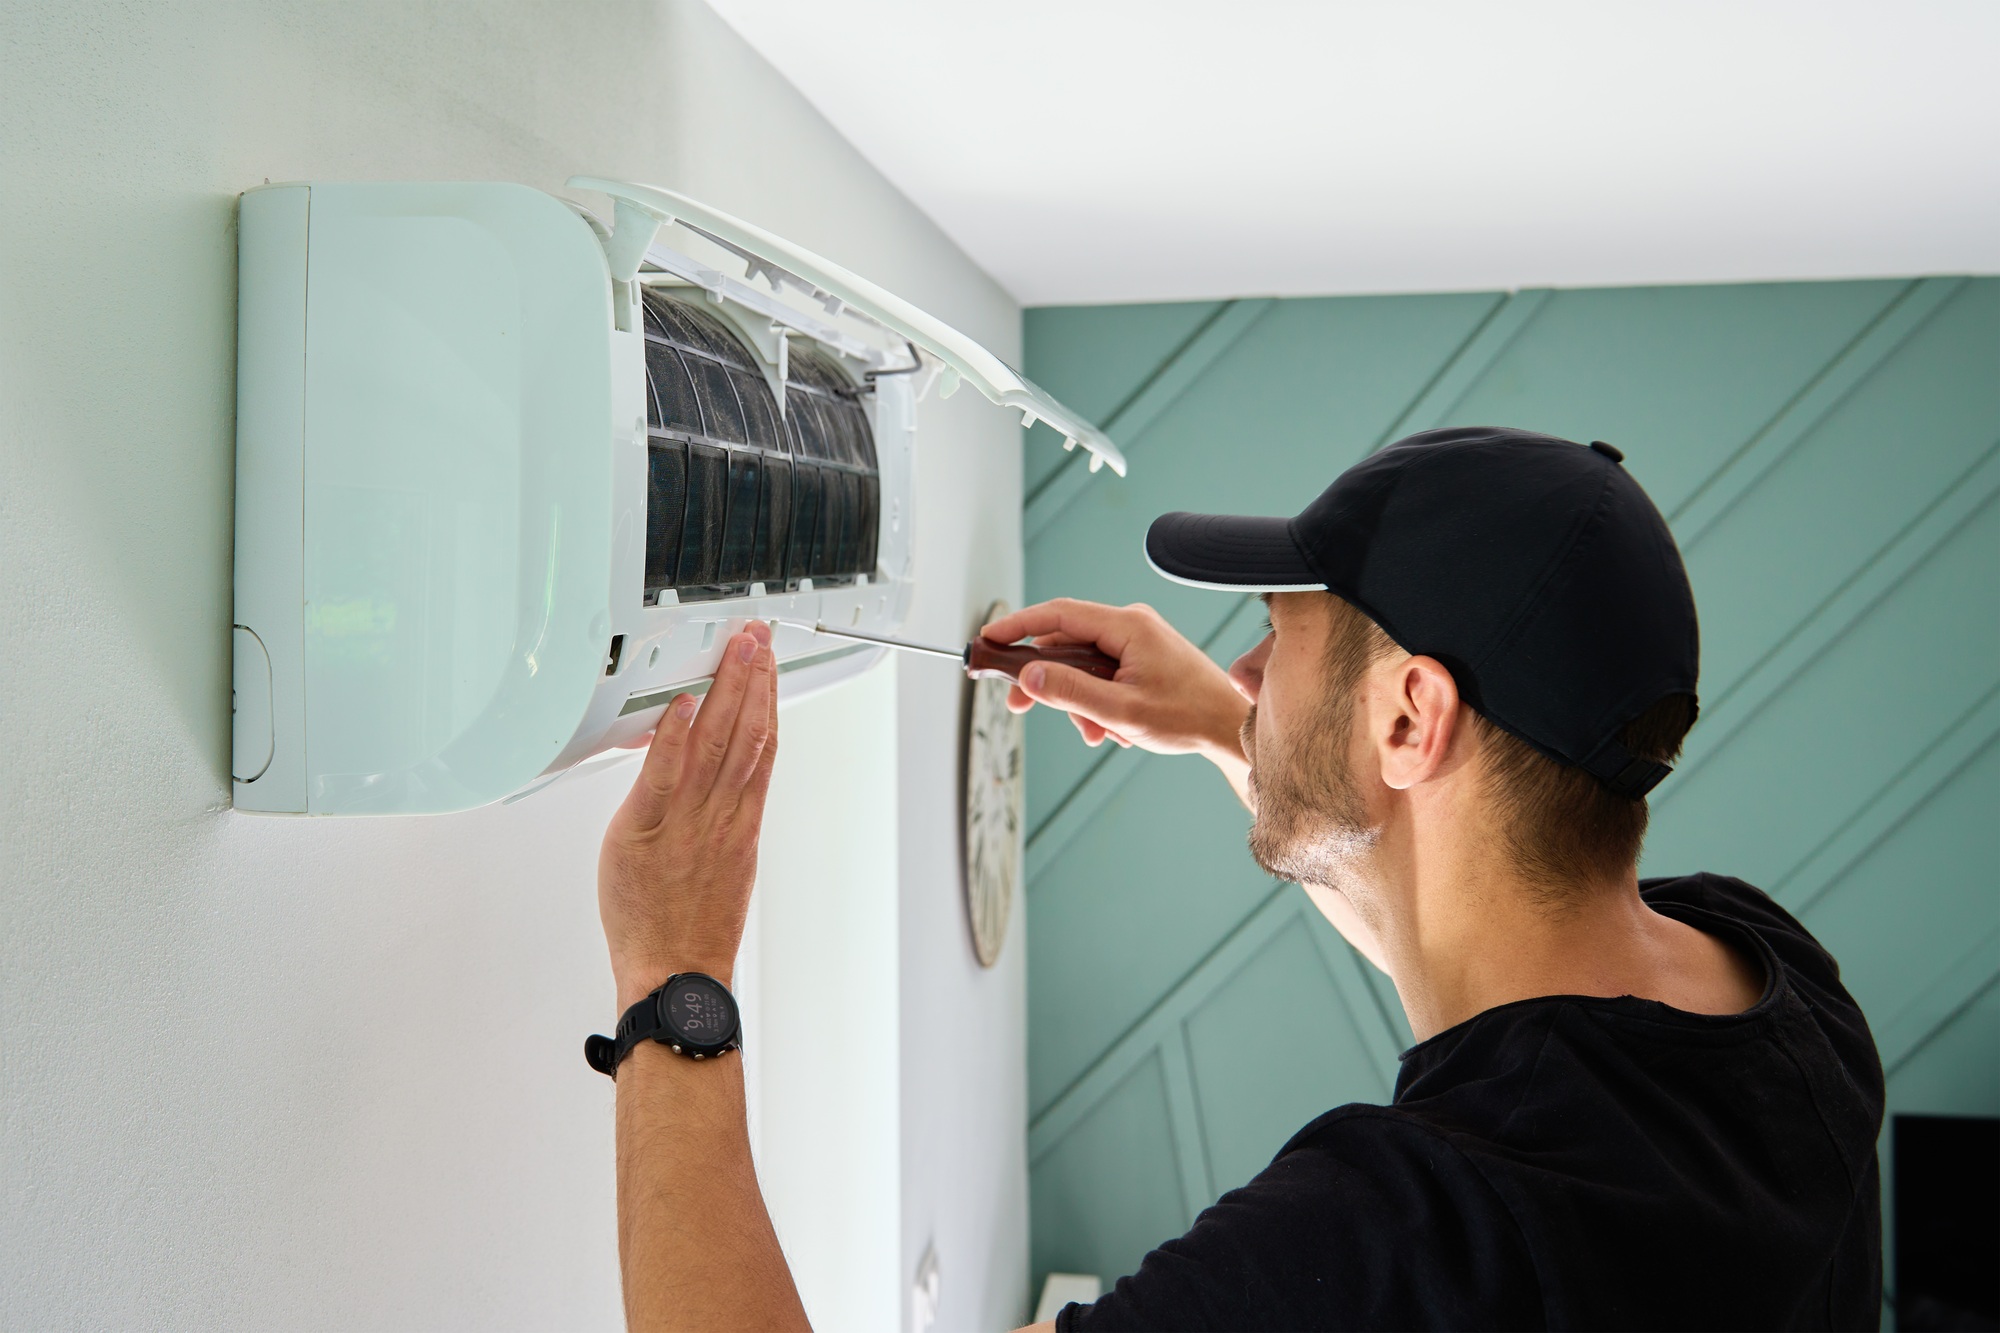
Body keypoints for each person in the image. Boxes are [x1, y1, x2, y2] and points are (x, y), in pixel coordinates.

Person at [590, 426, 1884, 1331]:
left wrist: (675, 978)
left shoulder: (1383, 1255)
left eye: (1278, 632)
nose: (1251, 668)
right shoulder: (1781, 999)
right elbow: (1491, 961)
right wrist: (1230, 729)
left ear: (1408, 720)